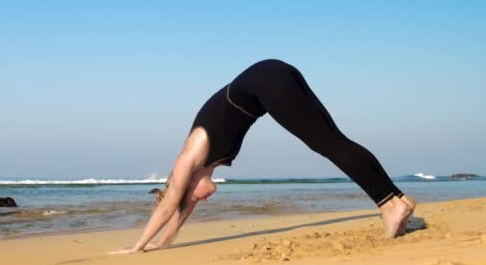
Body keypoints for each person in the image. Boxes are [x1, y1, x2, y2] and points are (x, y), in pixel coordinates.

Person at [110, 59, 417, 254]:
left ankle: (387, 205)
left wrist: (137, 247)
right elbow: (178, 215)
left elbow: (169, 206)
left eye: (192, 198)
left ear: (186, 184)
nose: (201, 201)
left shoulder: (188, 156)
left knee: (328, 144)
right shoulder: (205, 163)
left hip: (265, 82)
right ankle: (397, 200)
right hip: (273, 73)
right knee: (334, 141)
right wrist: (161, 244)